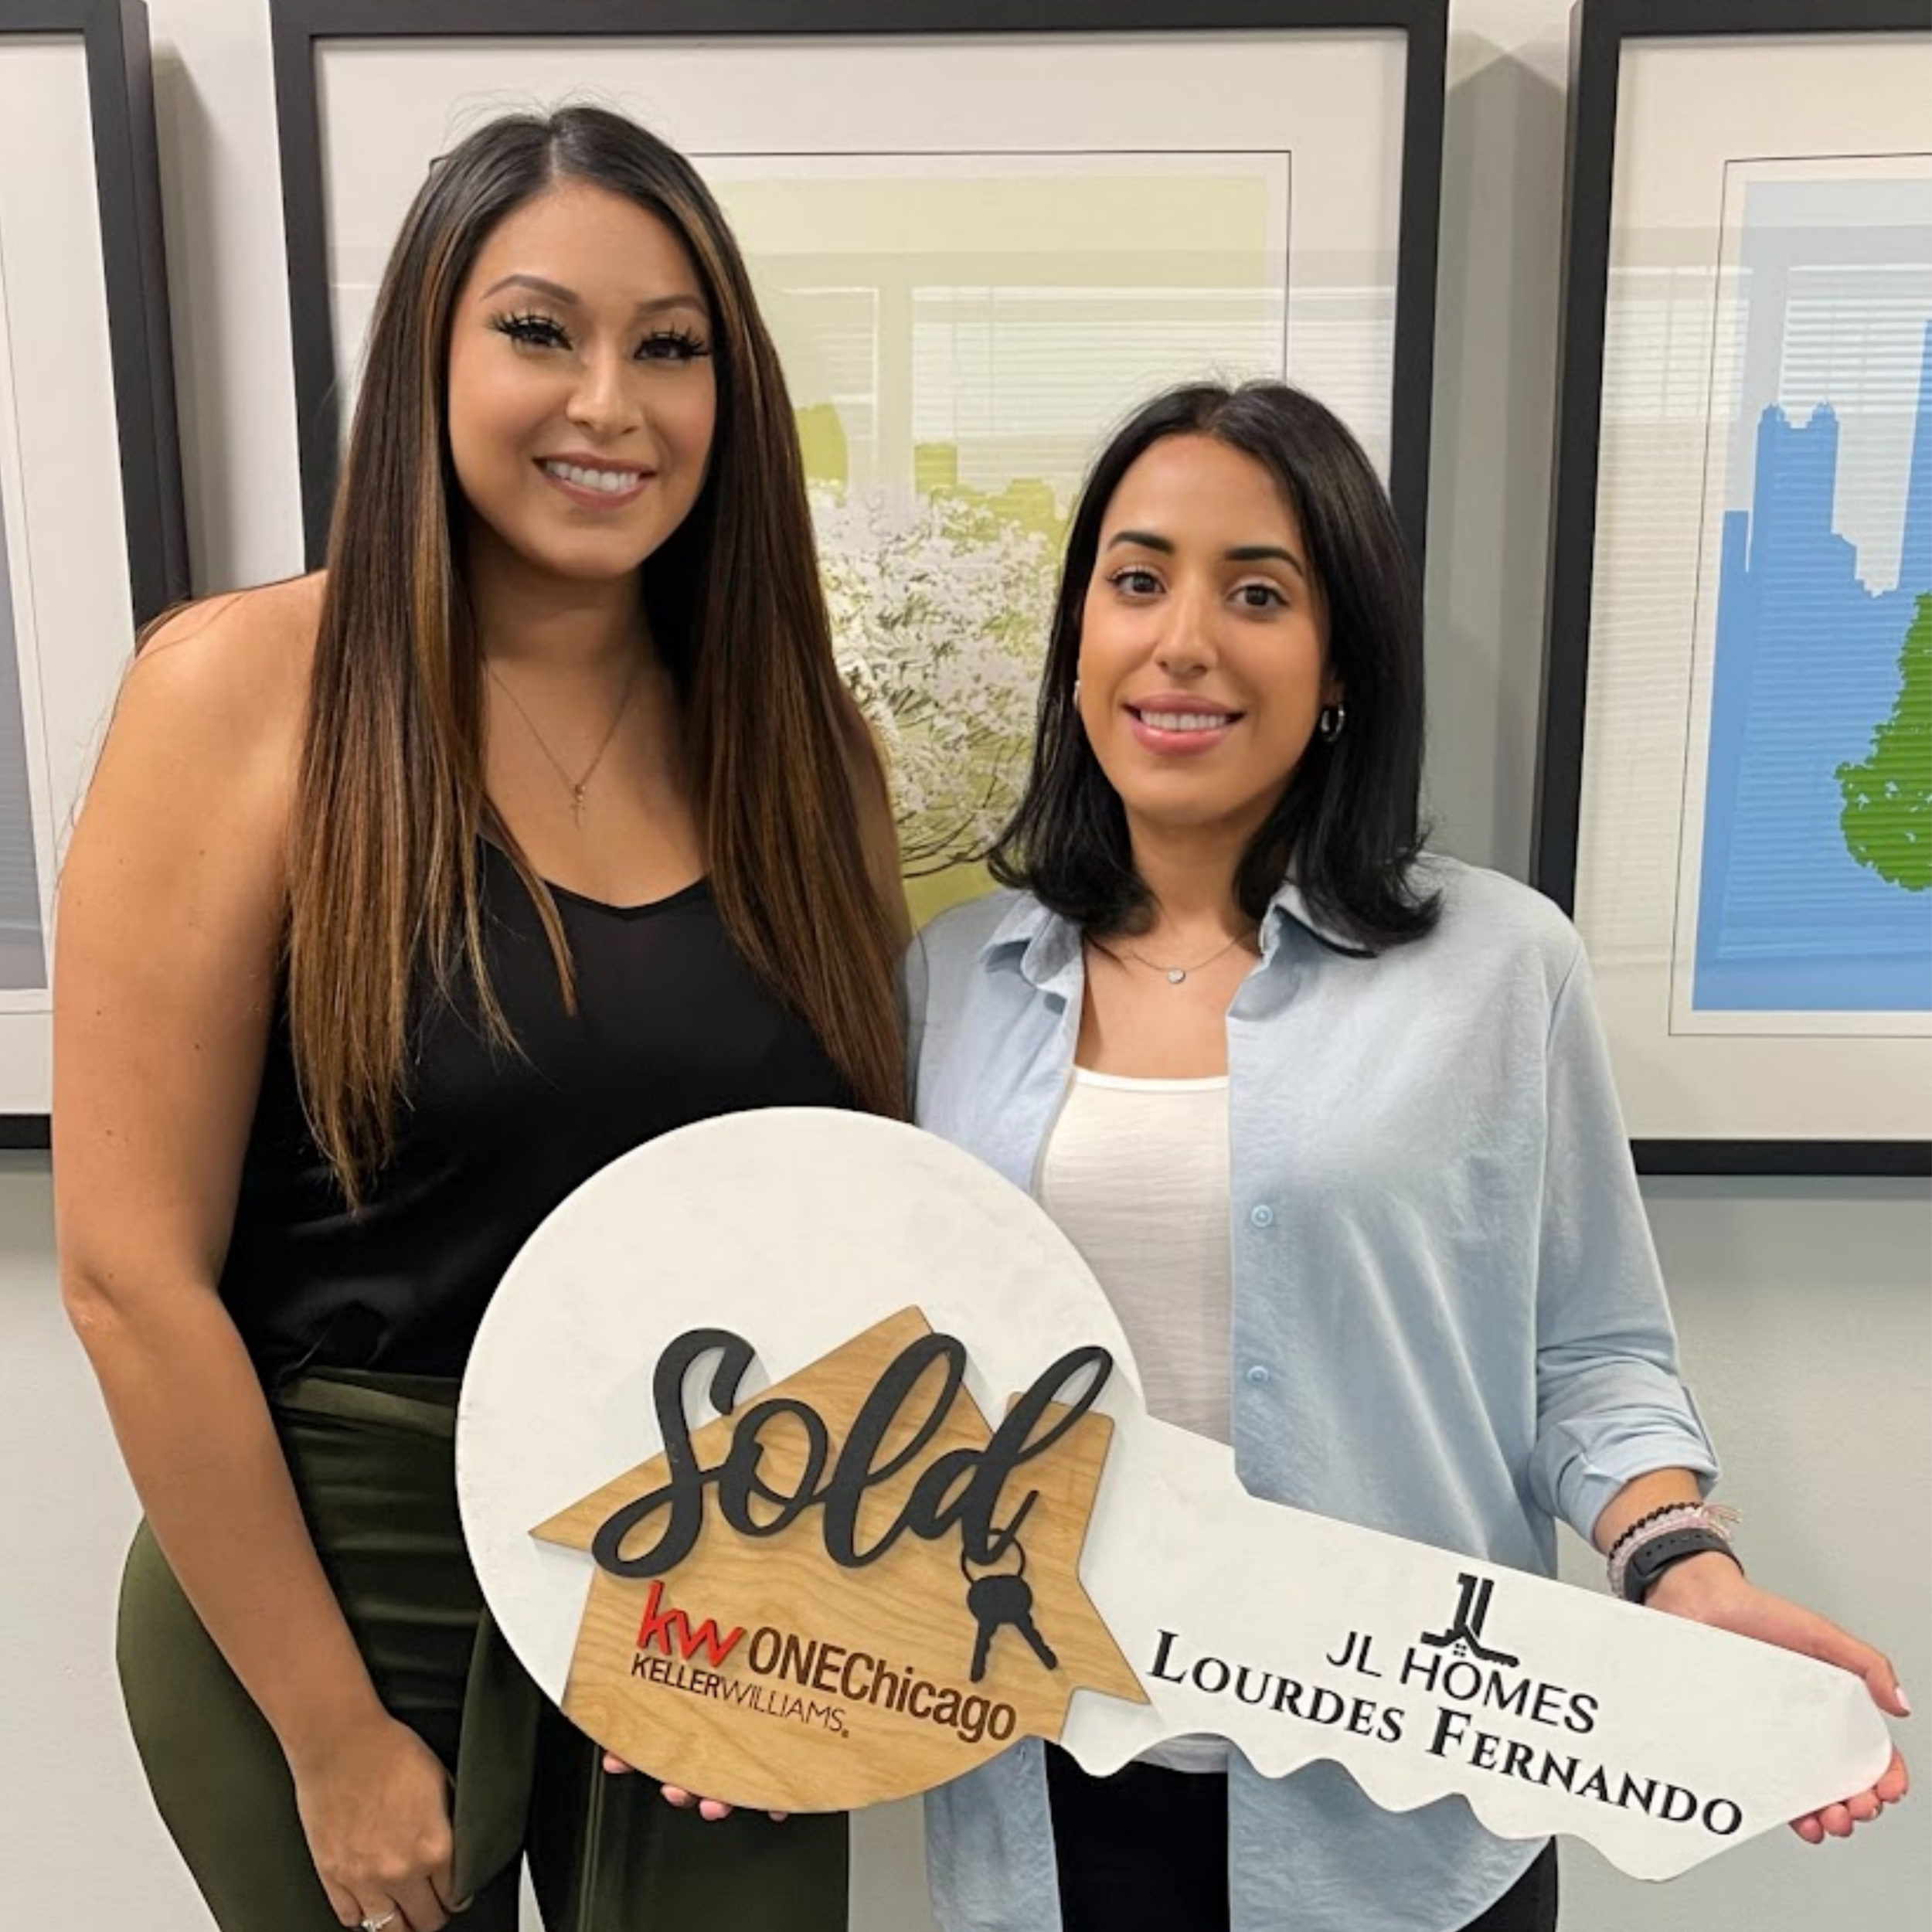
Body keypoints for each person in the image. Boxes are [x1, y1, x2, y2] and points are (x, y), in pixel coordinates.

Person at [903, 382, 1909, 1932]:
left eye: (1255, 590)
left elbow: (1587, 1353)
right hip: (1039, 1799)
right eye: (1134, 576)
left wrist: (1680, 1568)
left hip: (1404, 1820)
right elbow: (877, 1370)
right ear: (1077, 639)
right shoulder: (949, 980)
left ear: (1340, 668)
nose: (1181, 640)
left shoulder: (1499, 965)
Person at [54, 107, 905, 1932]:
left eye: (668, 346)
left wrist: (810, 1599)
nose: (610, 400)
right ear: (431, 354)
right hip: (336, 1575)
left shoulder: (803, 750)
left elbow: (849, 1222)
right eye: (540, 330)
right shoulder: (243, 690)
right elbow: (131, 1276)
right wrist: (330, 1733)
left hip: (708, 1571)